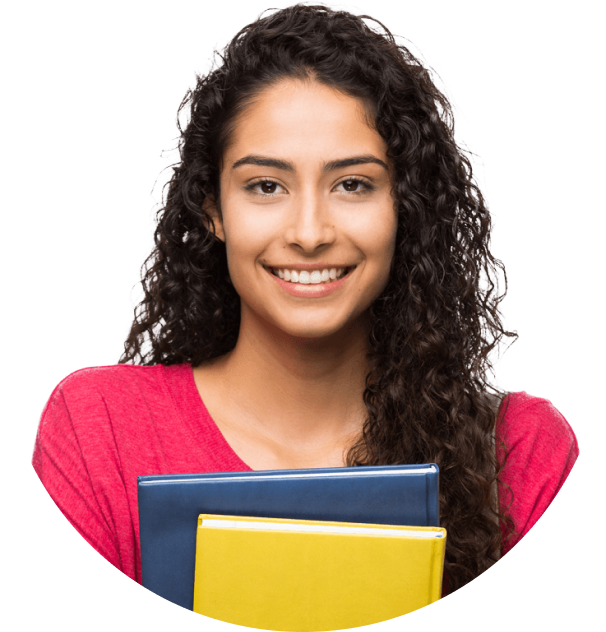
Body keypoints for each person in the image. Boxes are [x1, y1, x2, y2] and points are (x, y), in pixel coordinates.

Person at [30, 1, 587, 616]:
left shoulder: (520, 452)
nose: (309, 231)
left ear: (406, 209)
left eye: (353, 184)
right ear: (213, 209)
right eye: (265, 185)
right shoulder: (99, 430)